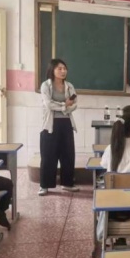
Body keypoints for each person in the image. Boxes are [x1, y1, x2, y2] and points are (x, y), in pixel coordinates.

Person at [39, 58, 78, 196]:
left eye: (64, 68)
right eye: (59, 68)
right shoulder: (46, 85)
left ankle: (67, 183)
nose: (63, 71)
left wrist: (64, 108)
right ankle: (44, 185)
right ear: (52, 70)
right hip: (50, 124)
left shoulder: (69, 86)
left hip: (66, 123)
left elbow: (75, 104)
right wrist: (64, 105)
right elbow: (48, 104)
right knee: (48, 155)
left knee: (68, 154)